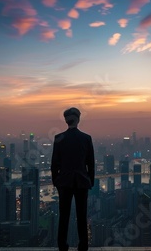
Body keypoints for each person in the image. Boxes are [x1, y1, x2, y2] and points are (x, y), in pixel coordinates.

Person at [51, 107, 95, 251]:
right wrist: (91, 181)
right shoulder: (86, 138)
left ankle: (62, 246)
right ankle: (83, 246)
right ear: (78, 119)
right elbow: (90, 162)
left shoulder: (59, 138)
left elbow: (54, 164)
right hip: (82, 181)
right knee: (82, 215)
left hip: (64, 182)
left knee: (63, 215)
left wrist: (56, 182)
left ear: (66, 120)